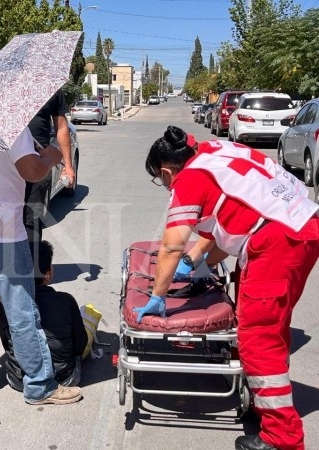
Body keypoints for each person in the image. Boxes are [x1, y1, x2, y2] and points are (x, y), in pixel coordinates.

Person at [138, 126, 319, 450]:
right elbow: (226, 220)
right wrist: (193, 262)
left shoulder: (189, 179)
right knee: (272, 328)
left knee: (258, 339)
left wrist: (158, 296)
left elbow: (170, 246)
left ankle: (283, 439)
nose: (164, 186)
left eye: (159, 180)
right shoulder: (216, 153)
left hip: (276, 244)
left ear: (165, 171)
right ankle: (264, 402)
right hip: (299, 229)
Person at [0, 125, 82, 410]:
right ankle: (39, 385)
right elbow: (32, 171)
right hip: (3, 237)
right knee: (22, 312)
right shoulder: (10, 126)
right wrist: (51, 157)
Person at [0, 240, 88, 391]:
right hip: (64, 378)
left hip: (19, 379)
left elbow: (6, 342)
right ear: (47, 273)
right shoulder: (66, 301)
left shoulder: (7, 302)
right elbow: (80, 346)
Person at [23, 89, 75, 247]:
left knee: (32, 220)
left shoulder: (51, 88)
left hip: (38, 164)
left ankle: (33, 267)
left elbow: (61, 127)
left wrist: (68, 166)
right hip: (7, 165)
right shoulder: (6, 85)